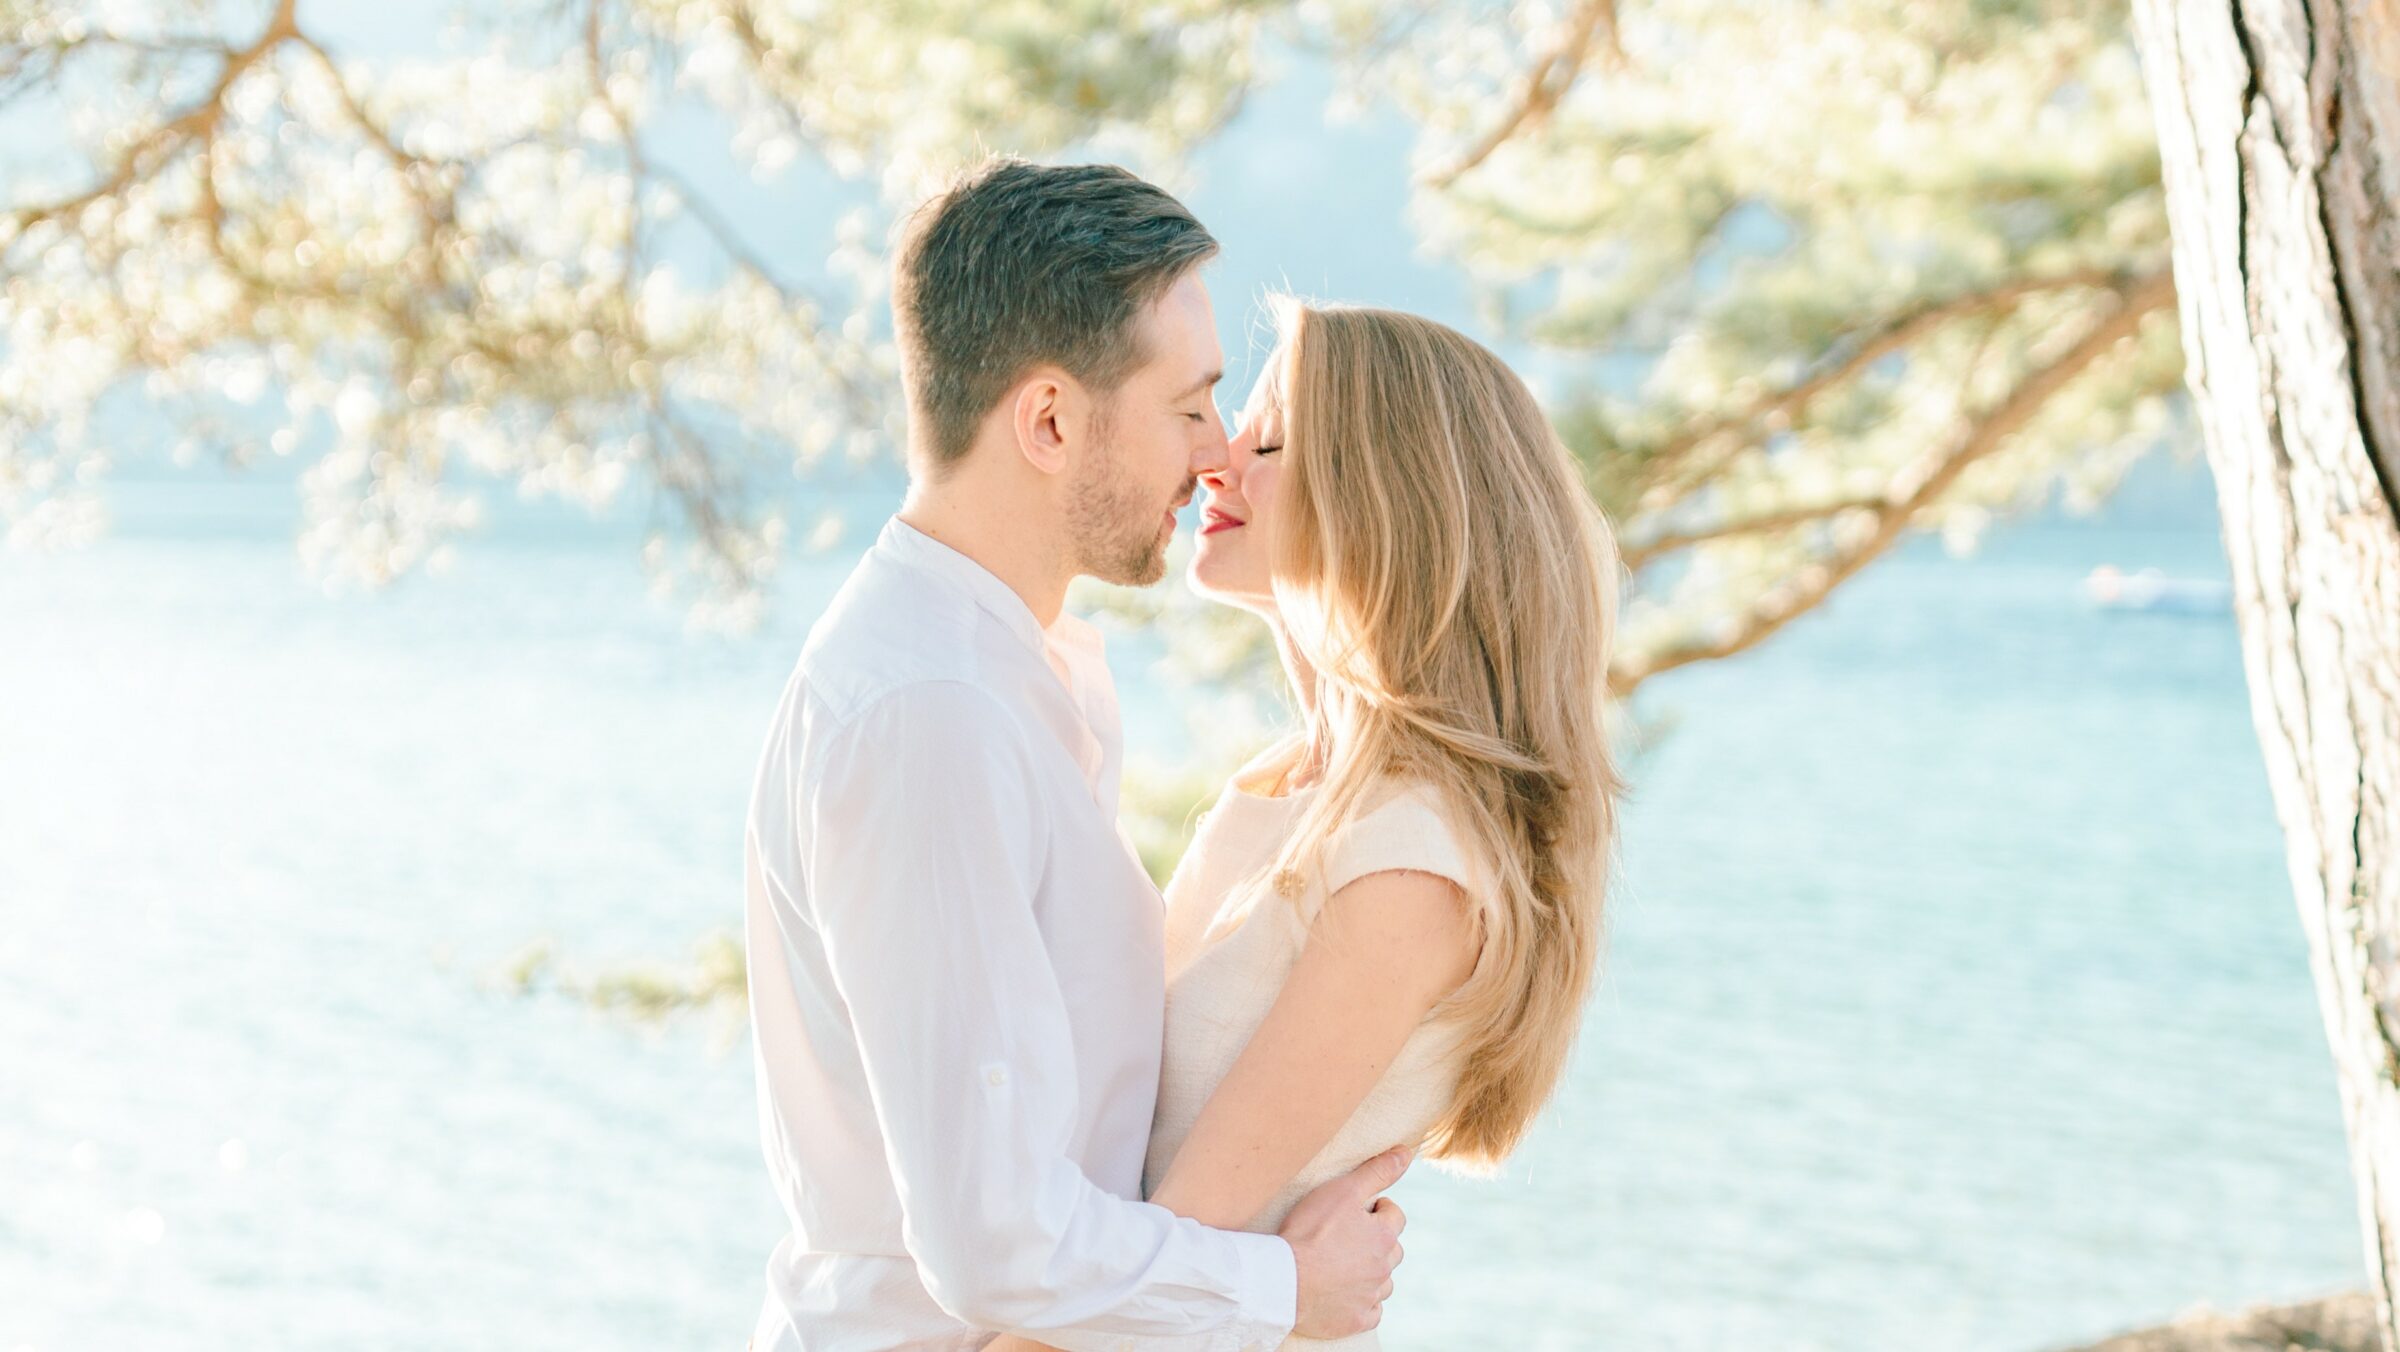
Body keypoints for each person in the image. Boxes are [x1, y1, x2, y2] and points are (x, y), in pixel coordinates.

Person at [741, 157, 1410, 1352]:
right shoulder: (933, 712)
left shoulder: (1018, 671)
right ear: (1049, 420)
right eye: (1189, 404)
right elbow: (997, 1239)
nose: (1219, 452)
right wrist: (1281, 1291)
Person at [989, 297, 1626, 1352]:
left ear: (1390, 498)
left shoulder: (1412, 860)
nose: (1213, 464)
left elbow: (1169, 1257)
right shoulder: (1286, 784)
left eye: (1269, 439)